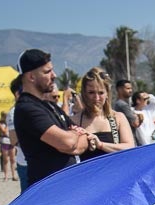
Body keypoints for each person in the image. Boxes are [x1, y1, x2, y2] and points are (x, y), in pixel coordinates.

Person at [13, 49, 95, 189]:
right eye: (47, 72)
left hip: (69, 185)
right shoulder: (27, 108)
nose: (54, 75)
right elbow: (68, 142)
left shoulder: (50, 106)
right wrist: (74, 137)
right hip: (49, 190)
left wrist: (73, 141)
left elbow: (85, 139)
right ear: (31, 77)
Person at [75, 68, 135, 160]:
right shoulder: (74, 121)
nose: (96, 97)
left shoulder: (118, 118)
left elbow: (129, 148)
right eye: (91, 92)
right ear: (84, 93)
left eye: (101, 93)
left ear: (107, 93)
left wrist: (101, 145)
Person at [0, 112, 14, 181]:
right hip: (5, 141)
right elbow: (4, 131)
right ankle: (6, 176)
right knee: (5, 159)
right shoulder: (0, 123)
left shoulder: (10, 123)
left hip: (10, 140)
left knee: (12, 159)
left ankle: (13, 175)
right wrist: (7, 124)